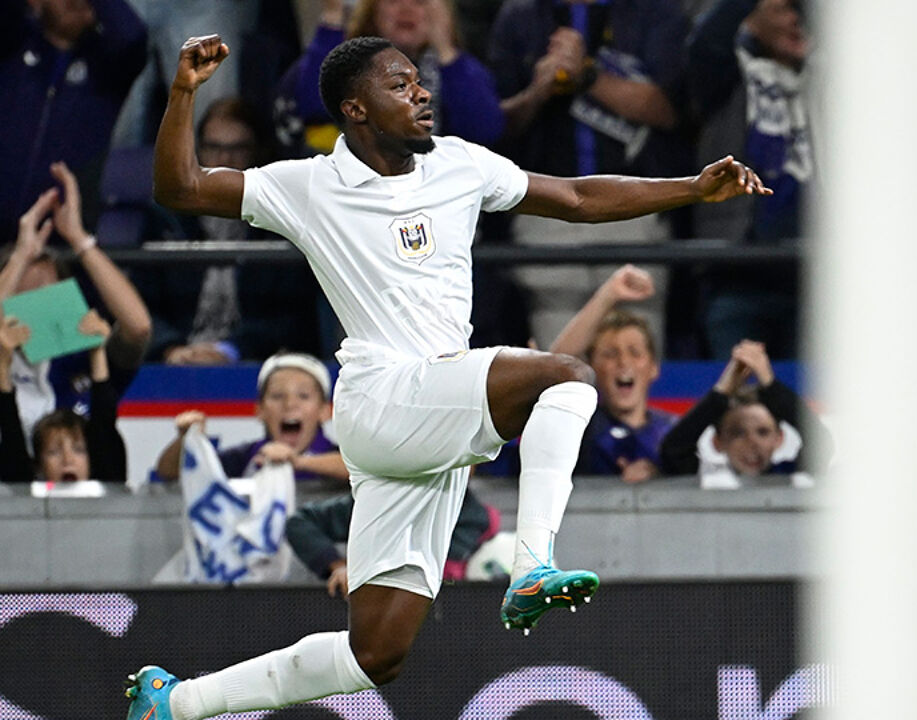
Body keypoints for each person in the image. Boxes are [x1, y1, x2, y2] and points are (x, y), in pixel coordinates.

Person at [123, 33, 768, 719]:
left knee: (375, 653)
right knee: (567, 377)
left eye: (419, 80)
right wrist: (186, 90)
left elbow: (577, 197)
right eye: (399, 84)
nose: (421, 91)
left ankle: (180, 703)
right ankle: (531, 565)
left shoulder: (459, 164)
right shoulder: (308, 185)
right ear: (356, 109)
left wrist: (690, 188)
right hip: (386, 395)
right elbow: (181, 187)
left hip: (430, 425)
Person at [488, 0, 691, 350]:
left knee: (633, 356)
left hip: (636, 208)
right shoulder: (520, 16)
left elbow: (672, 112)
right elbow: (494, 126)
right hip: (546, 214)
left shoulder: (657, 12)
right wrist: (539, 90)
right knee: (559, 368)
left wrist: (586, 75)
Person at [137, 98, 327, 365]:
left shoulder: (280, 219)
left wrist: (230, 351)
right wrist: (169, 348)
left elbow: (293, 317)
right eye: (213, 147)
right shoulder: (167, 218)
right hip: (175, 359)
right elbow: (141, 302)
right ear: (197, 150)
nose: (224, 159)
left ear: (258, 151)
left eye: (237, 148)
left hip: (258, 363)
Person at [686, 0, 811, 359]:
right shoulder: (724, 71)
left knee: (812, 407)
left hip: (816, 272)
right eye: (787, 9)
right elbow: (706, 41)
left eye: (803, 13)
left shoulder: (829, 77)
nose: (796, 21)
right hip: (737, 273)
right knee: (736, 404)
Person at [0, 162, 152, 447]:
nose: (39, 305)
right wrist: (21, 256)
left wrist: (79, 239)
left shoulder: (87, 356)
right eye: (27, 292)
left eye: (50, 293)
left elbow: (139, 327)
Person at [0, 0, 148, 244]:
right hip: (1, 243)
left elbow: (131, 35)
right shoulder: (12, 44)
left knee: (63, 281)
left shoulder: (108, 67)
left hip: (62, 246)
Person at [276, 0, 505, 157]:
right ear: (373, 10)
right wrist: (333, 19)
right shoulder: (341, 58)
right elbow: (316, 109)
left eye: (420, 1)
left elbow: (484, 132)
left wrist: (445, 50)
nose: (406, 8)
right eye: (393, 0)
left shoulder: (459, 69)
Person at [548, 264, 675, 483]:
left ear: (653, 367)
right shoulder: (582, 427)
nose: (623, 362)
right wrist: (609, 294)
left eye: (635, 352)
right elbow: (556, 367)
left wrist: (658, 479)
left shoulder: (672, 431)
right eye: (609, 354)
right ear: (592, 369)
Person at [151, 353, 348, 485]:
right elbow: (169, 472)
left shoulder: (342, 456)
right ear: (259, 410)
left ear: (325, 411)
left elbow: (356, 470)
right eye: (277, 396)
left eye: (303, 396)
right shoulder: (245, 458)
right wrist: (185, 440)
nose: (290, 404)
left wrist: (298, 462)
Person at [286, 481, 502, 599]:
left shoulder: (479, 520)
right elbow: (300, 522)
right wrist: (339, 566)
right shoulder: (378, 503)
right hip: (383, 623)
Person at [659, 339, 828, 483]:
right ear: (717, 442)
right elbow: (673, 450)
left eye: (763, 432)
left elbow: (821, 444)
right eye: (737, 433)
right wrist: (722, 390)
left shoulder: (790, 477)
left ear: (779, 438)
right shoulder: (709, 481)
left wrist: (769, 383)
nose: (752, 442)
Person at [0, 312, 127, 483]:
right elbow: (10, 435)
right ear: (38, 466)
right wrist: (2, 365)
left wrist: (97, 351)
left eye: (79, 450)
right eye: (53, 452)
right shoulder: (26, 496)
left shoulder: (106, 483)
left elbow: (104, 427)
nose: (68, 460)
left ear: (92, 459)